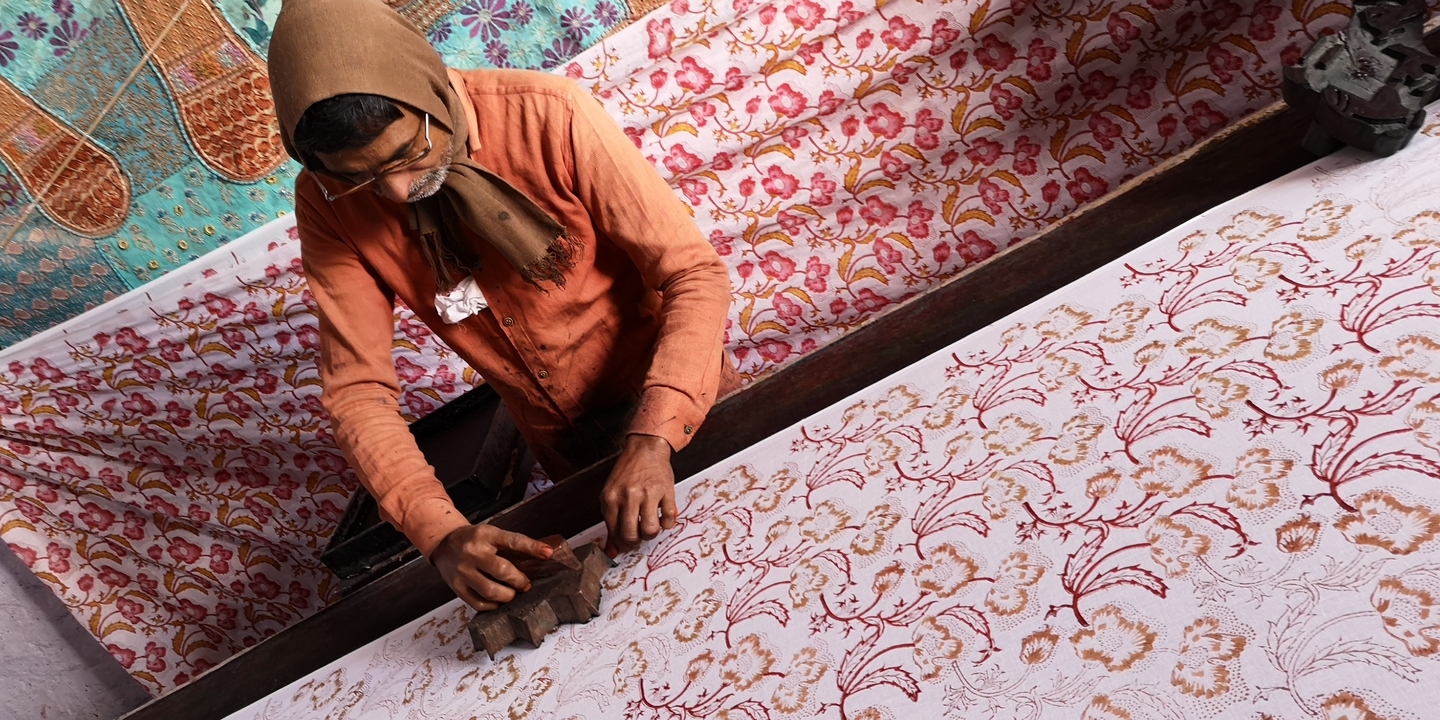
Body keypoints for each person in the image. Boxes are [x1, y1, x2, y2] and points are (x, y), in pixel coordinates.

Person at [266, 0, 735, 611]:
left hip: (685, 412)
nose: (398, 192)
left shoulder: (550, 114)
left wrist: (652, 439)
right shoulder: (328, 202)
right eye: (361, 179)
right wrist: (440, 534)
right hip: (567, 455)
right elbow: (358, 390)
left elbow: (693, 275)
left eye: (406, 153)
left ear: (425, 88)